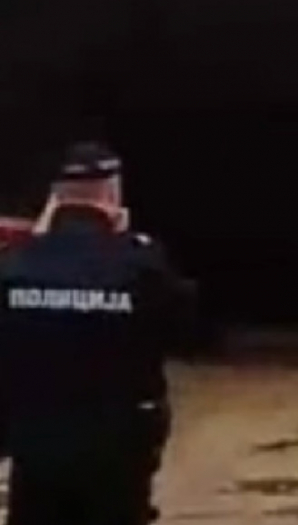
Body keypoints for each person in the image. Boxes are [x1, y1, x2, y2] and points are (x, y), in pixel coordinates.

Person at [0, 141, 195, 524]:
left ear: (54, 198)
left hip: (36, 452)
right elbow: (187, 332)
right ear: (112, 193)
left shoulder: (14, 268)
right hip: (118, 454)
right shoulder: (142, 267)